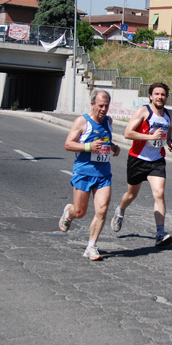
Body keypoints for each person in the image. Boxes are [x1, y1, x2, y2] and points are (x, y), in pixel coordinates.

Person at [110, 82, 172, 247]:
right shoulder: (143, 111)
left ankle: (160, 233)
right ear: (150, 96)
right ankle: (120, 211)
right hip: (138, 159)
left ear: (166, 97)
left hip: (157, 160)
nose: (160, 97)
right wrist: (150, 137)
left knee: (159, 194)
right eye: (156, 94)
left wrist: (169, 141)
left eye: (162, 94)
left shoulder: (169, 113)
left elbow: (167, 131)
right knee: (131, 195)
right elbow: (127, 133)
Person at [59, 90, 120, 261]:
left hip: (103, 174)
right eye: (100, 105)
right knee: (80, 212)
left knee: (102, 209)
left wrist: (113, 147)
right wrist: (88, 147)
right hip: (84, 172)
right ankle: (69, 212)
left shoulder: (108, 121)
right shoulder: (82, 121)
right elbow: (68, 144)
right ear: (92, 104)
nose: (103, 109)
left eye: (106, 106)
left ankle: (91, 246)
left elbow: (105, 141)